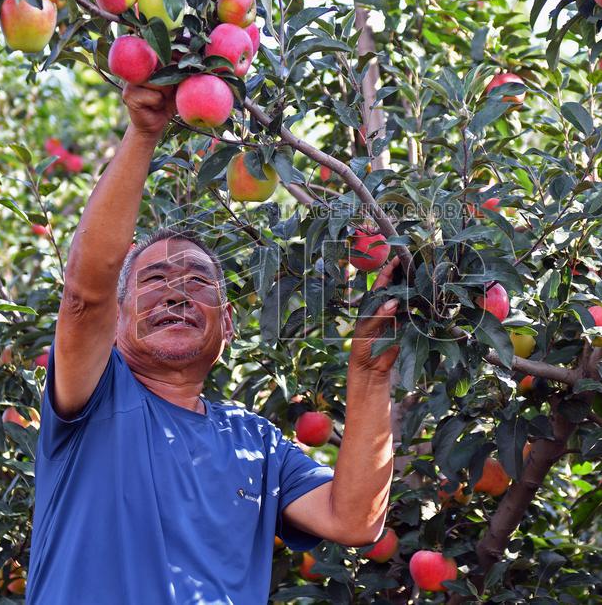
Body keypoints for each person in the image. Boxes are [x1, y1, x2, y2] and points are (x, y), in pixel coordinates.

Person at [26, 84, 404, 603]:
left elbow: (356, 519)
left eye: (198, 281)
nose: (176, 292)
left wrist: (370, 374)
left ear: (227, 325)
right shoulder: (97, 399)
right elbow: (84, 297)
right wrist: (143, 133)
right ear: (116, 321)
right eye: (154, 280)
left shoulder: (258, 443)